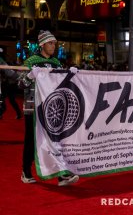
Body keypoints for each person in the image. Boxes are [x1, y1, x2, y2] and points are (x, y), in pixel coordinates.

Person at [18, 30, 79, 186]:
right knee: (31, 140)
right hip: (33, 106)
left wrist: (70, 75)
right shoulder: (30, 62)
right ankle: (26, 171)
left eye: (54, 43)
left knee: (54, 141)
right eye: (51, 43)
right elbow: (20, 84)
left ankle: (60, 175)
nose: (54, 46)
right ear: (42, 44)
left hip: (51, 109)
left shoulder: (57, 63)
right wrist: (30, 76)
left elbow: (61, 86)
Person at [0, 55, 22, 119]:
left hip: (9, 85)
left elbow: (10, 74)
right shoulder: (4, 63)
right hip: (8, 84)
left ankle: (1, 112)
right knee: (7, 100)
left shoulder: (3, 63)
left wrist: (19, 78)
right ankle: (18, 113)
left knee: (6, 99)